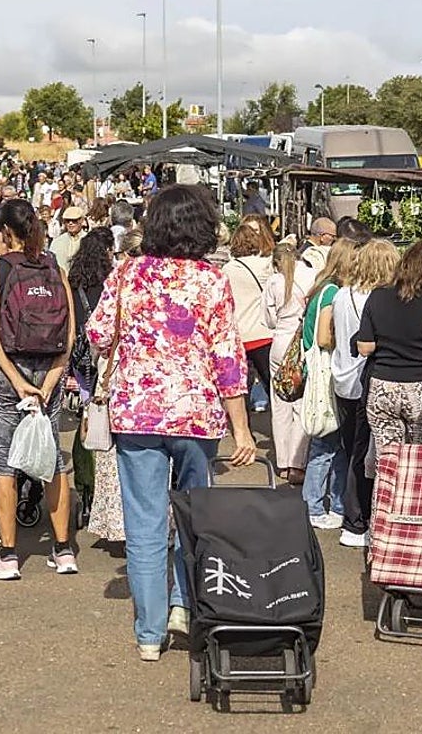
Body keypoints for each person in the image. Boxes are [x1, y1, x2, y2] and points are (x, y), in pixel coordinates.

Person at [87, 184, 255, 661]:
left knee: (144, 525)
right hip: (196, 415)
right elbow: (228, 357)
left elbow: (98, 333)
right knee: (192, 518)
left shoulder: (126, 274)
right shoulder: (211, 280)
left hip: (138, 412)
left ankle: (149, 633)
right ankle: (184, 604)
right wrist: (241, 426)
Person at [0, 199, 77, 580]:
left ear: (5, 231)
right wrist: (52, 377)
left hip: (8, 373)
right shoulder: (54, 266)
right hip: (48, 373)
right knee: (52, 459)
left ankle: (7, 555)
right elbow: (69, 330)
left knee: (4, 462)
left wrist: (16, 380)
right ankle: (64, 548)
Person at [355, 240, 422, 542]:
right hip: (421, 391)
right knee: (421, 466)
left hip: (382, 387)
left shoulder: (379, 295)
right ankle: (417, 536)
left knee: (388, 466)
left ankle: (381, 535)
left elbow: (365, 347)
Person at [329, 238, 399, 547]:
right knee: (366, 454)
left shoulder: (342, 294)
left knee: (350, 451)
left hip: (341, 377)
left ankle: (348, 512)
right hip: (366, 382)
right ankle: (359, 520)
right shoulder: (382, 299)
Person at [301, 238, 360, 529]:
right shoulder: (333, 292)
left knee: (330, 442)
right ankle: (313, 504)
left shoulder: (319, 288)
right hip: (326, 372)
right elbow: (324, 338)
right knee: (326, 443)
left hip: (317, 371)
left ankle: (331, 503)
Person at [69, 227, 123, 542]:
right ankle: (98, 492)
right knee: (104, 428)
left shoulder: (73, 283)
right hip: (102, 362)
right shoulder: (111, 286)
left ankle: (86, 491)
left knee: (86, 422)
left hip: (79, 363)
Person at [263, 243, 316, 484]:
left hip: (280, 342)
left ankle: (282, 461)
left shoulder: (274, 281)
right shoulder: (310, 275)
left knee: (280, 404)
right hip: (301, 344)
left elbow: (269, 319)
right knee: (301, 404)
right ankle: (297, 462)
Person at [223, 224, 275, 414]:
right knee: (272, 385)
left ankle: (244, 430)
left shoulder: (228, 269)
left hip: (238, 335)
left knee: (240, 388)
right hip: (263, 333)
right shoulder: (266, 266)